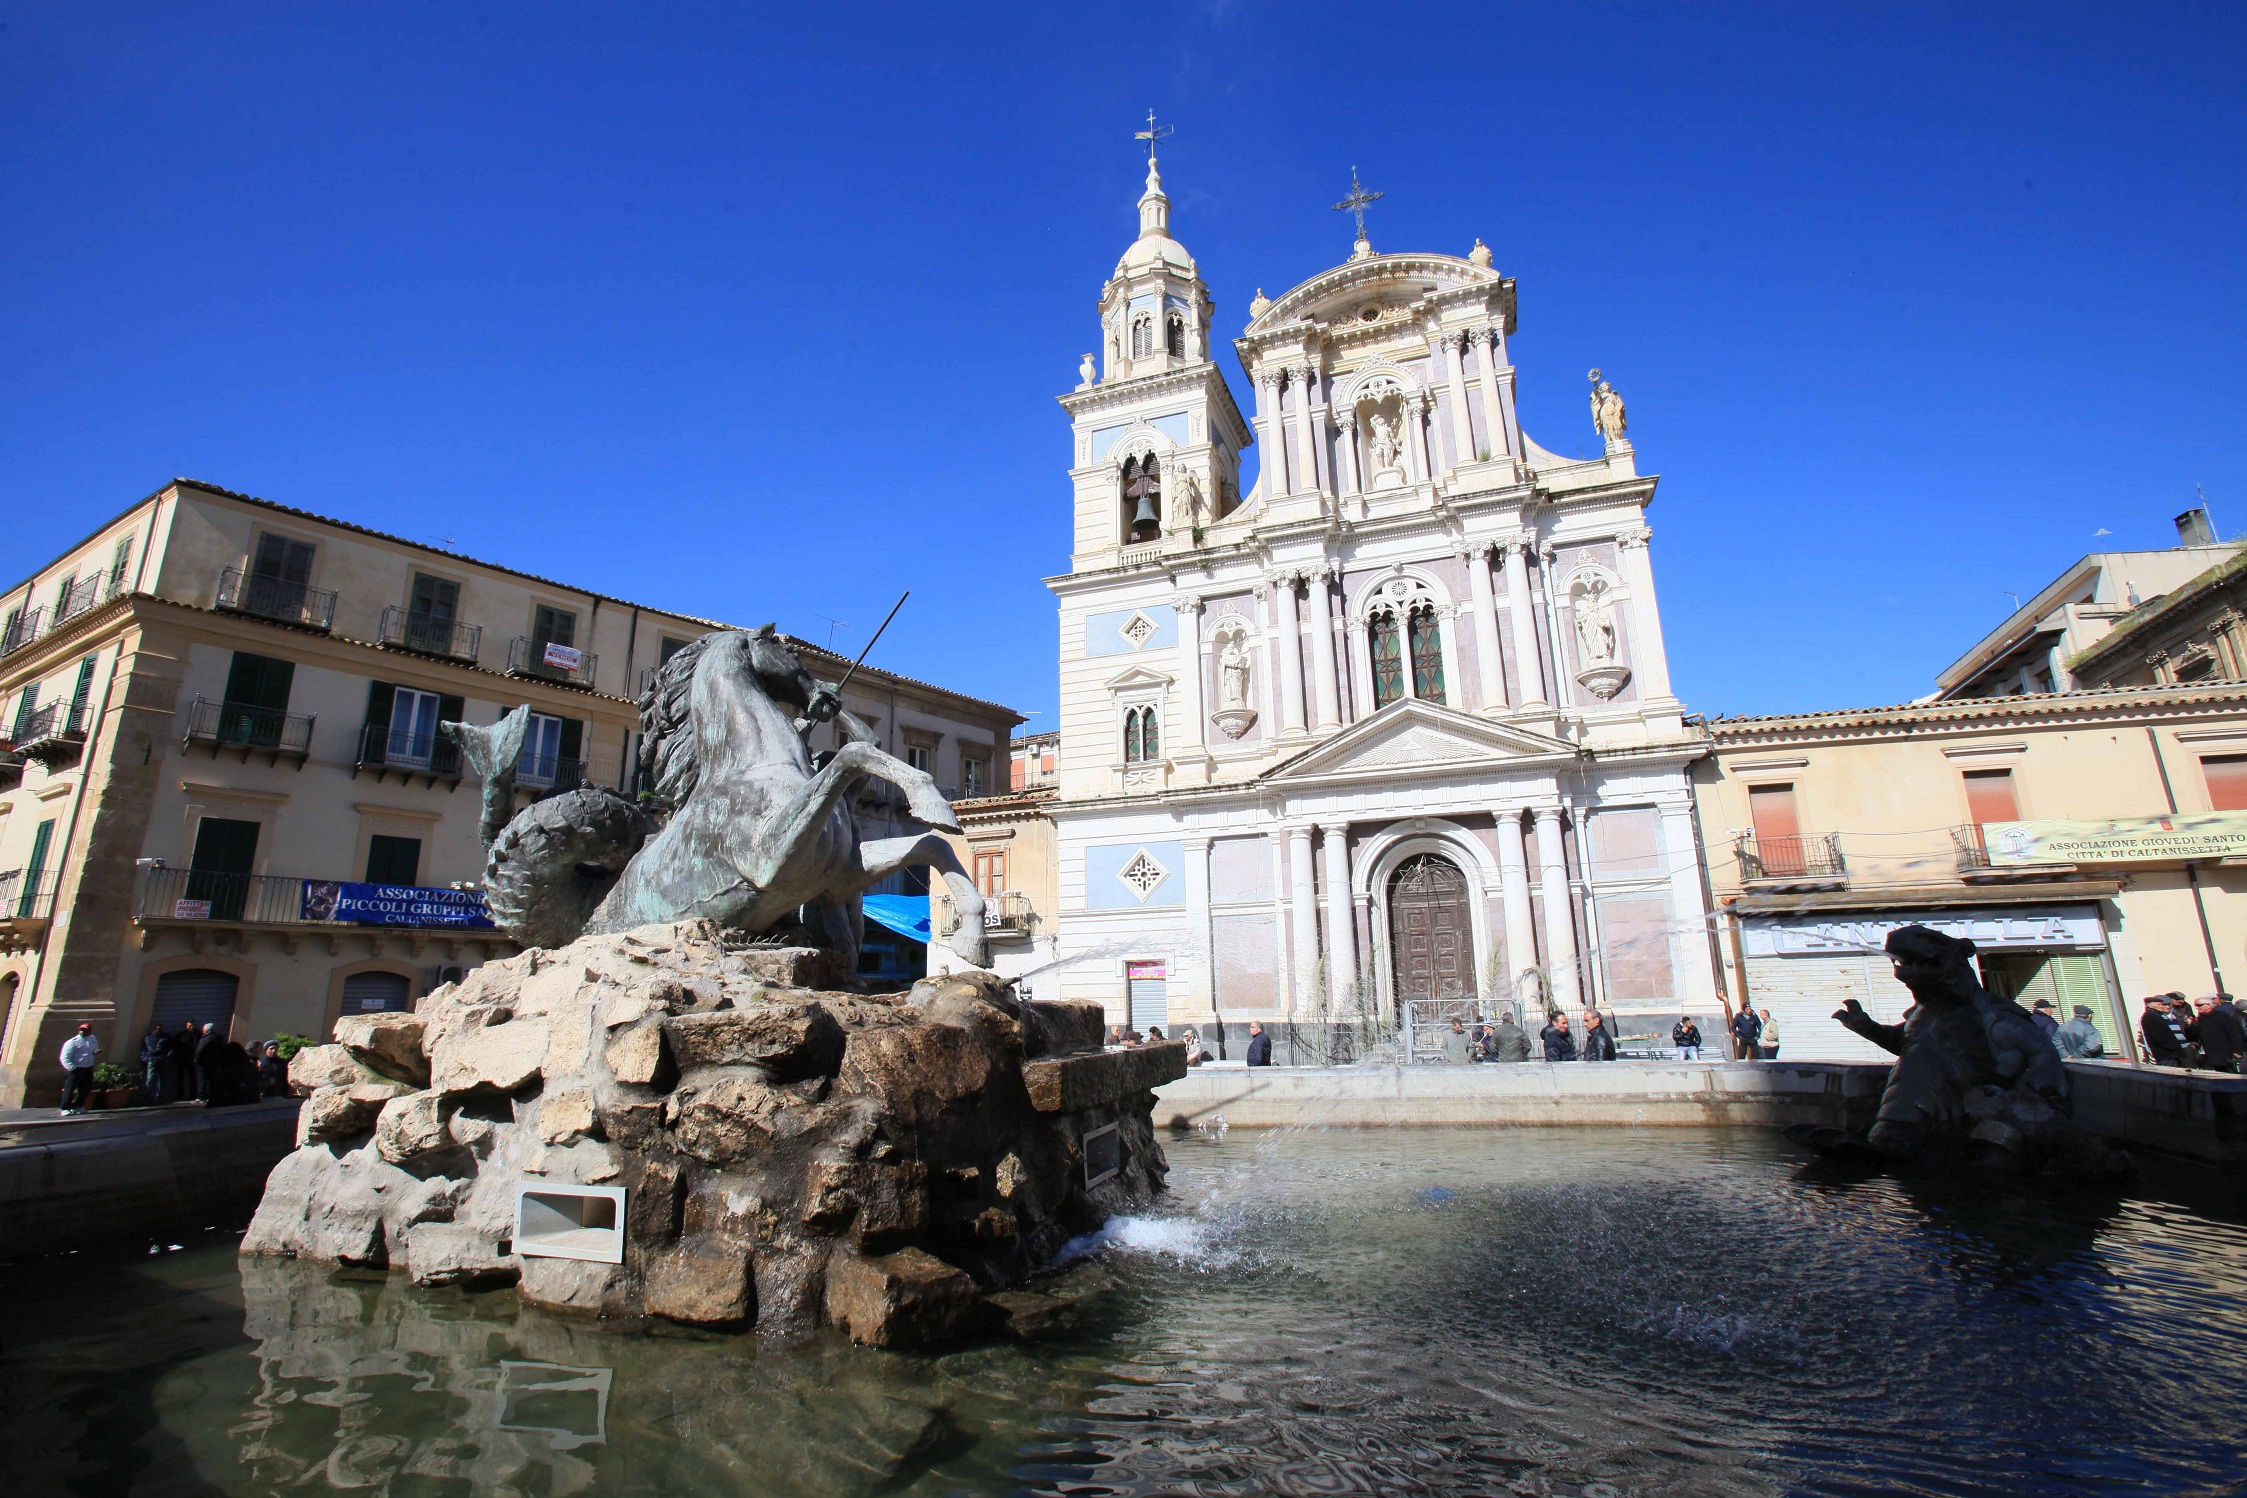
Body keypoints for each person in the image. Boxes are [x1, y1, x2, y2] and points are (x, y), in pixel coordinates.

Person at [2192, 995, 2246, 1073]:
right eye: (2195, 1006)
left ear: (2208, 1005)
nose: (2197, 1008)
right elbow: (2196, 1034)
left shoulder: (2222, 1017)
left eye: (2199, 1005)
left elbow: (2234, 1034)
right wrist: (2190, 1025)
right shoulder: (2200, 1019)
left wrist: (2237, 1050)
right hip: (2208, 1053)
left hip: (2224, 1052)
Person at [58, 1023, 100, 1114]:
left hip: (87, 1067)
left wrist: (95, 1052)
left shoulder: (93, 1039)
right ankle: (65, 1108)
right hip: (75, 1068)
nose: (82, 1032)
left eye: (85, 1030)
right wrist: (72, 1068)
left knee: (85, 1088)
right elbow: (64, 1057)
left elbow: (93, 1050)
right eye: (81, 1030)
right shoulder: (72, 1042)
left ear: (90, 1031)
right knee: (70, 1089)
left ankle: (78, 1106)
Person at [2141, 994, 2192, 1067]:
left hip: (2171, 1053)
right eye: (2159, 1004)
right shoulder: (2151, 1017)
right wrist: (2174, 1046)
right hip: (2166, 1055)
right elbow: (2159, 1037)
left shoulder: (2156, 1016)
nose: (2161, 1006)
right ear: (2150, 1005)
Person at [194, 1018, 227, 1102]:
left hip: (203, 1063)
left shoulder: (204, 1040)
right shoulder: (220, 1038)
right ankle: (212, 1096)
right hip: (215, 1063)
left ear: (206, 1031)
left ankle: (201, 1097)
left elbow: (199, 1051)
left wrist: (196, 1060)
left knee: (202, 1079)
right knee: (212, 1080)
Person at [139, 1022, 172, 1103]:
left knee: (161, 1079)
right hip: (151, 1060)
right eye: (157, 1029)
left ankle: (159, 1097)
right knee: (150, 1078)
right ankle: (148, 1097)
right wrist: (145, 1058)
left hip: (162, 1059)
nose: (159, 1030)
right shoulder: (148, 1038)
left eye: (160, 1029)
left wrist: (167, 1056)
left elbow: (171, 1047)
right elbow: (144, 1049)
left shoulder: (166, 1037)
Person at [172, 1021, 199, 1100]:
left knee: (193, 1077)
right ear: (186, 1026)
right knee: (180, 1077)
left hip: (193, 1059)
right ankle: (179, 1095)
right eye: (190, 1025)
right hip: (182, 1059)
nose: (192, 1027)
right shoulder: (181, 1035)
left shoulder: (198, 1034)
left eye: (193, 1025)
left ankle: (193, 1095)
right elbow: (176, 1047)